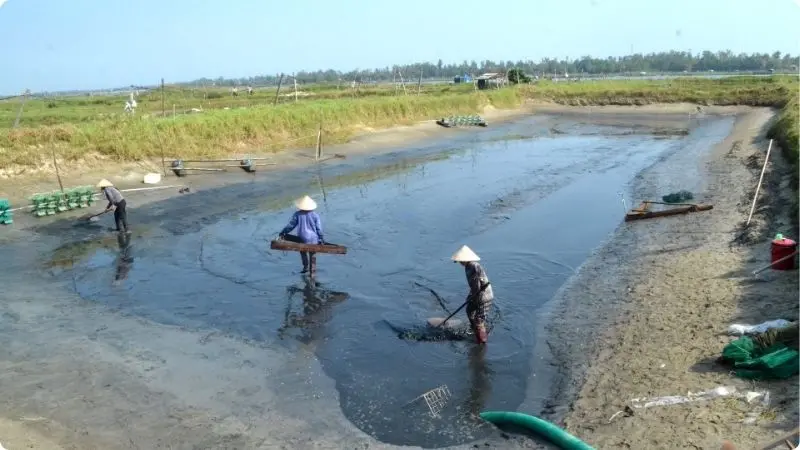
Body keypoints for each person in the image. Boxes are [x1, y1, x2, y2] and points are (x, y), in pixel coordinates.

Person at [451, 245, 493, 344]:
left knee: (479, 320)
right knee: (469, 310)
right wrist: (470, 297)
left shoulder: (473, 266)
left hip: (484, 296)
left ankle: (482, 342)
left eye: (460, 260)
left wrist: (473, 297)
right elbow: (474, 287)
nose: (460, 262)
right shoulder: (469, 267)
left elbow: (477, 286)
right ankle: (474, 330)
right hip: (477, 293)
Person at [279, 195, 325, 274]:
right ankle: (312, 269)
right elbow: (319, 229)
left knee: (303, 251)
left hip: (302, 238)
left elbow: (291, 225)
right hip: (314, 239)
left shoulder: (297, 214)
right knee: (312, 253)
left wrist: (283, 232)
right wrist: (321, 238)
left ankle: (305, 267)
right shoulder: (315, 215)